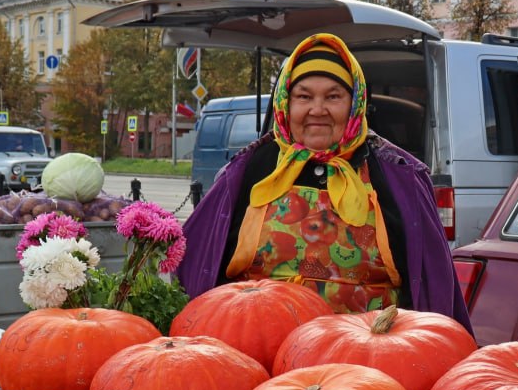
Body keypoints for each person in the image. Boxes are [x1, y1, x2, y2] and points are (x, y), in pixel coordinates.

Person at [177, 32, 472, 330]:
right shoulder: (247, 171)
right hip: (257, 358)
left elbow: (435, 289)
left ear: (355, 103)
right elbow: (194, 270)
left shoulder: (399, 176)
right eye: (304, 97)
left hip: (365, 364)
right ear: (285, 103)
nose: (317, 110)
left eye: (333, 96)